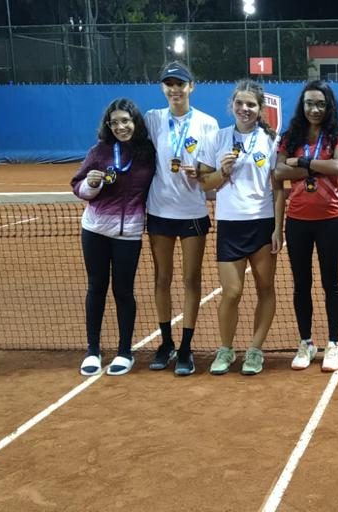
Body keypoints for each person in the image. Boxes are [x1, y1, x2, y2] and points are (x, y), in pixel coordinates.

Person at [193, 79, 284, 376]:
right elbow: (204, 183)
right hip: (230, 225)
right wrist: (222, 172)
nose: (245, 108)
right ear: (232, 105)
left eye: (251, 104)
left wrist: (278, 228)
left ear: (260, 109)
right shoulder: (216, 138)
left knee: (265, 288)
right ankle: (226, 349)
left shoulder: (271, 141)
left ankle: (255, 350)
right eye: (240, 103)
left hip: (262, 224)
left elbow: (278, 189)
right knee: (231, 292)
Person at [143, 61, 219, 376]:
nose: (175, 90)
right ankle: (166, 343)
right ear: (163, 88)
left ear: (191, 86)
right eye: (169, 84)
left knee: (191, 280)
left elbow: (213, 169)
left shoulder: (208, 123)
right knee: (162, 278)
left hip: (192, 212)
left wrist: (199, 171)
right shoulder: (151, 119)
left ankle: (186, 347)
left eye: (180, 84)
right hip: (159, 211)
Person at [71, 98, 156, 376]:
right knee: (96, 287)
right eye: (115, 122)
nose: (121, 127)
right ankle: (92, 350)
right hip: (95, 229)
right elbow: (78, 186)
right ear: (108, 125)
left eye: (125, 121)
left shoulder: (148, 152)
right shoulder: (99, 151)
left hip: (128, 233)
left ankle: (124, 352)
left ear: (135, 122)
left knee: (124, 291)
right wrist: (90, 184)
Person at [273, 80, 338, 372]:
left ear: (329, 106)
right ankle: (306, 342)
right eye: (309, 103)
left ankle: (333, 344)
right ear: (302, 105)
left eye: (320, 104)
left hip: (329, 221)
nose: (315, 109)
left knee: (332, 284)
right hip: (297, 222)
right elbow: (279, 171)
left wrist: (303, 162)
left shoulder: (337, 135)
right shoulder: (290, 136)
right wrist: (318, 165)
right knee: (301, 284)